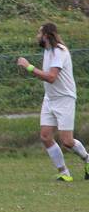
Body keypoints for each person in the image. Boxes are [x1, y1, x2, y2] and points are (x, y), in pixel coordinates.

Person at [17, 23, 87, 182]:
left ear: (46, 36)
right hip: (50, 99)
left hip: (65, 99)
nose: (37, 36)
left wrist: (29, 67)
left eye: (38, 33)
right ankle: (64, 172)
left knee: (67, 141)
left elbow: (51, 77)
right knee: (45, 136)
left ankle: (87, 159)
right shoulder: (47, 51)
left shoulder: (60, 51)